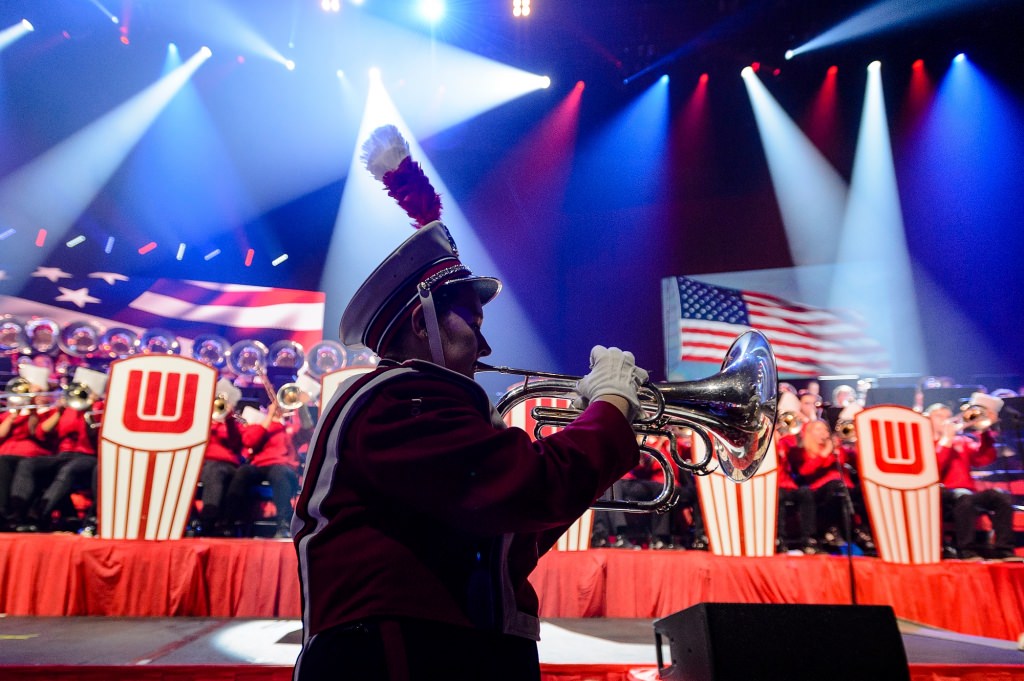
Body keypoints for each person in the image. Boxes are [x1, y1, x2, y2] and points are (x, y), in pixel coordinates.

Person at [291, 125, 646, 681]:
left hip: (441, 648)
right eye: (472, 325)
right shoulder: (397, 393)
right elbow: (527, 490)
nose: (484, 347)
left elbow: (513, 527)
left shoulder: (425, 403)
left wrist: (603, 428)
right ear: (420, 322)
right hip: (399, 656)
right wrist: (608, 409)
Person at [925, 396, 1016, 561]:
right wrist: (946, 440)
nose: (946, 420)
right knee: (963, 495)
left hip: (967, 494)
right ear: (927, 420)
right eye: (939, 416)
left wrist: (985, 433)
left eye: (948, 416)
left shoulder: (963, 441)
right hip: (941, 494)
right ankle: (966, 550)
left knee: (1000, 496)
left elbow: (984, 459)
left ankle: (1004, 549)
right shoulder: (925, 443)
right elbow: (934, 468)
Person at [196, 378, 245, 537]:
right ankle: (209, 519)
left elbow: (236, 444)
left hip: (232, 465)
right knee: (215, 471)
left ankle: (227, 522)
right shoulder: (204, 423)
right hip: (210, 463)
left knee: (241, 477)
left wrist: (229, 418)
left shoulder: (232, 424)